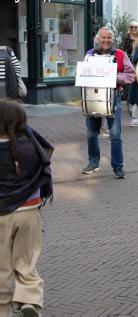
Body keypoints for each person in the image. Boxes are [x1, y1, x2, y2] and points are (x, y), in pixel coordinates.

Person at [0, 100, 53, 317]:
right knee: (26, 261)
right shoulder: (32, 146)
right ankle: (29, 301)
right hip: (29, 212)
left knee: (1, 268)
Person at [81, 27, 136, 179]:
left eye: (109, 38)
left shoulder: (120, 54)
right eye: (103, 37)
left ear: (113, 39)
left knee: (115, 134)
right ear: (98, 39)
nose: (106, 40)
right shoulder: (90, 54)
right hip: (93, 96)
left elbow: (131, 76)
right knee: (92, 134)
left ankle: (118, 167)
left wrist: (113, 76)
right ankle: (93, 162)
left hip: (114, 96)